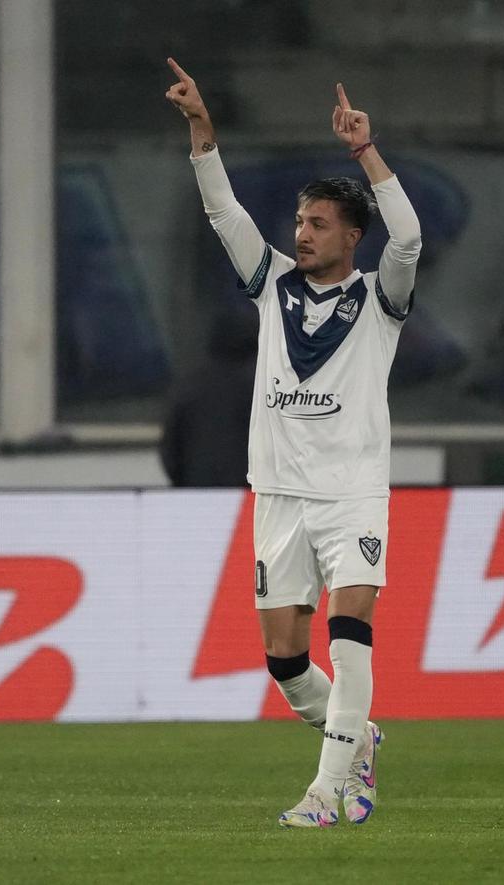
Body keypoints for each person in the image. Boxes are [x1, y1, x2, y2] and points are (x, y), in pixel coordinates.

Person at [166, 57, 421, 828]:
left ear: (350, 235)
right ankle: (358, 741)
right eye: (300, 223)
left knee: (350, 640)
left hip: (350, 494)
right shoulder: (271, 283)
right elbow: (223, 214)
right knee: (285, 661)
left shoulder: (380, 299)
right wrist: (202, 129)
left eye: (317, 224)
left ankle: (327, 792)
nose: (301, 234)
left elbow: (407, 236)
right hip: (277, 494)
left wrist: (365, 154)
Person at [158, 307, 256, 487]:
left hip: (197, 496)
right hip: (251, 499)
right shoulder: (264, 388)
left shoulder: (189, 386)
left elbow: (170, 451)